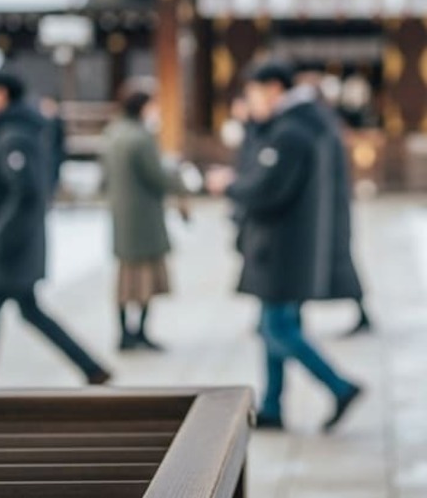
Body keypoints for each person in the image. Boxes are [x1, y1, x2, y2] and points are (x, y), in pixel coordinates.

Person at [206, 63, 363, 433]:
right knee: (273, 324)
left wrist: (228, 184)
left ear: (274, 88)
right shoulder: (305, 123)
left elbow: (265, 190)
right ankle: (274, 404)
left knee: (277, 327)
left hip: (282, 247)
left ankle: (339, 386)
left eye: (254, 92)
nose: (250, 101)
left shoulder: (290, 132)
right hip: (293, 244)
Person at [0, 72, 111, 386]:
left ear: (0, 95)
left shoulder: (14, 136)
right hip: (13, 246)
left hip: (9, 249)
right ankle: (91, 368)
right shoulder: (15, 132)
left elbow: (26, 193)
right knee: (25, 312)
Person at [101, 88, 187, 351]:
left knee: (125, 282)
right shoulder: (140, 138)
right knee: (146, 281)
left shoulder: (113, 134)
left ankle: (125, 333)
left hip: (122, 216)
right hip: (143, 218)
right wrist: (180, 181)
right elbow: (157, 176)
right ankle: (139, 333)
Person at [291, 63, 373, 336]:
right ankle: (295, 313)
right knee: (309, 262)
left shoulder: (319, 122)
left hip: (328, 204)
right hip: (326, 203)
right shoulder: (323, 121)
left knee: (333, 262)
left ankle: (360, 312)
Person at [37, 95, 66, 201]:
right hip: (43, 157)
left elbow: (61, 141)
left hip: (54, 157)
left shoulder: (57, 123)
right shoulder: (39, 122)